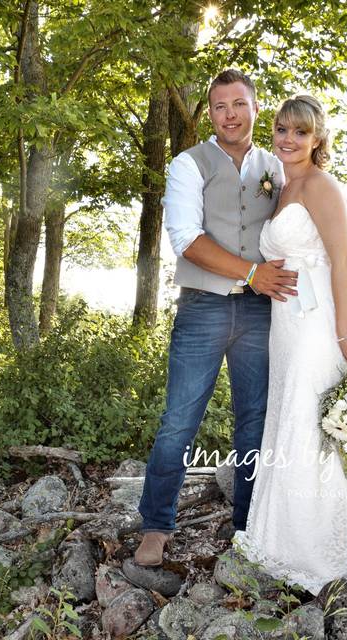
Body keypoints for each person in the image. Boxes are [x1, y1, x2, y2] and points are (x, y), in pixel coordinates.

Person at [232, 95, 347, 594]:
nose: (288, 140)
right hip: (285, 326)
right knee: (290, 416)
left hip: (317, 327)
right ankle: (286, 535)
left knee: (311, 420)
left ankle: (333, 545)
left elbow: (344, 262)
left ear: (317, 139)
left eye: (299, 132)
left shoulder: (320, 186)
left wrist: (345, 332)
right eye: (281, 130)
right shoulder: (283, 186)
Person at [135, 69, 299, 567]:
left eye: (239, 104)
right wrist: (252, 272)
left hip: (260, 310)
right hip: (204, 306)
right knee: (179, 420)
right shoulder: (189, 164)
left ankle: (248, 525)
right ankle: (156, 526)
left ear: (254, 107)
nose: (230, 114)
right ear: (210, 113)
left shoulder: (278, 165)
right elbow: (185, 238)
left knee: (255, 421)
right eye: (220, 106)